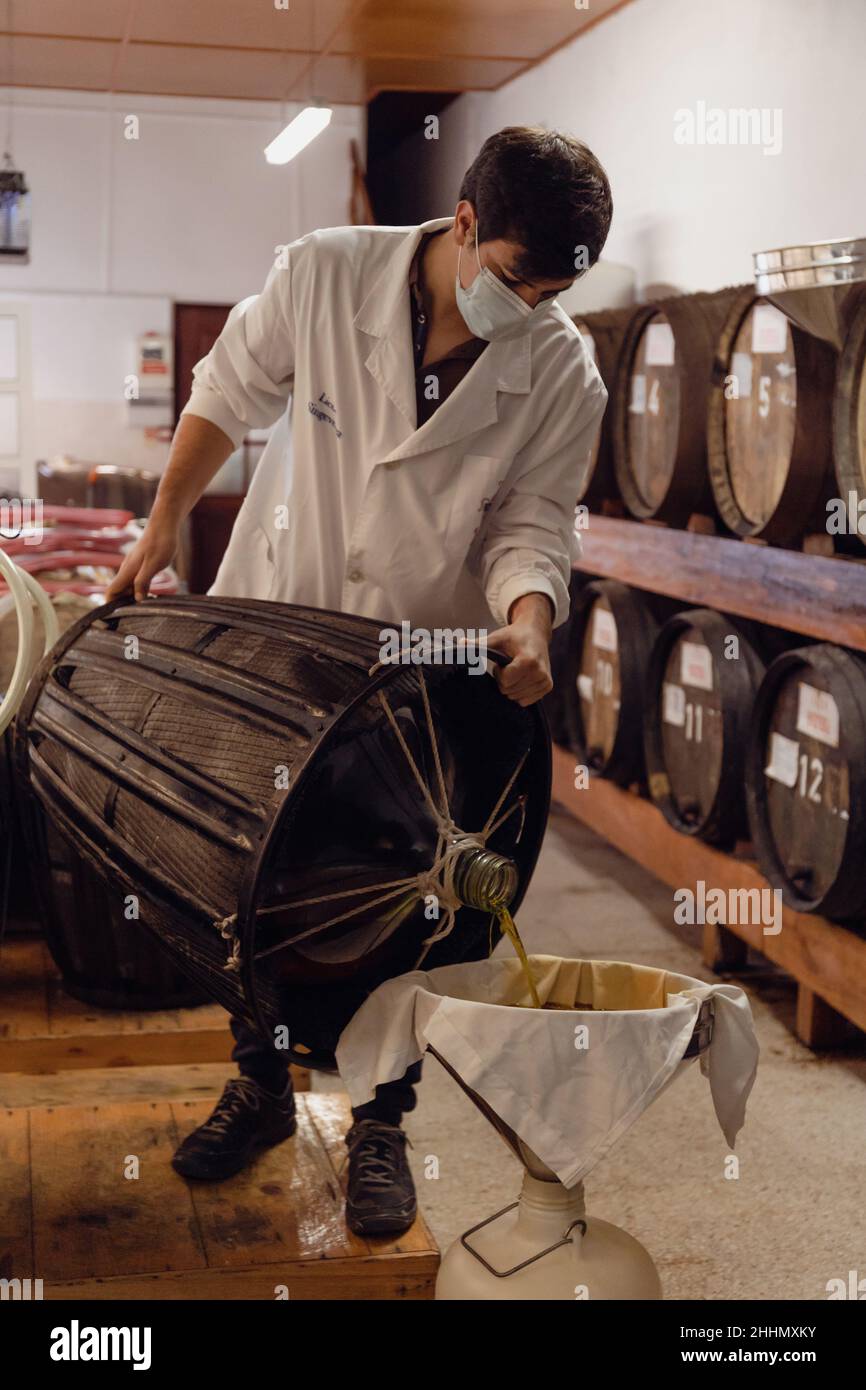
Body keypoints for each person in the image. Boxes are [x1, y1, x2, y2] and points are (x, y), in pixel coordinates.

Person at [106, 125, 612, 1236]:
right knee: (254, 876)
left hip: (417, 670)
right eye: (518, 280)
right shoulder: (326, 270)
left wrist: (527, 620)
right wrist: (160, 529)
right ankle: (260, 1085)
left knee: (405, 899)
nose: (531, 308)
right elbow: (224, 394)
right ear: (466, 227)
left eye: (555, 291)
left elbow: (531, 522)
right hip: (280, 637)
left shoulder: (560, 363)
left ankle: (380, 1122)